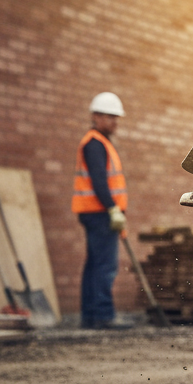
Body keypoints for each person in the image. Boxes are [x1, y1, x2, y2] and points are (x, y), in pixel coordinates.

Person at [72, 92, 131, 329]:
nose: (115, 122)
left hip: (94, 212)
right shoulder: (95, 143)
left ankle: (90, 315)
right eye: (110, 116)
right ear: (96, 116)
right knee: (105, 265)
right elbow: (99, 181)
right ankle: (103, 315)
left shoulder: (99, 142)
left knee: (94, 264)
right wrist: (112, 209)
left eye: (117, 117)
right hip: (99, 213)